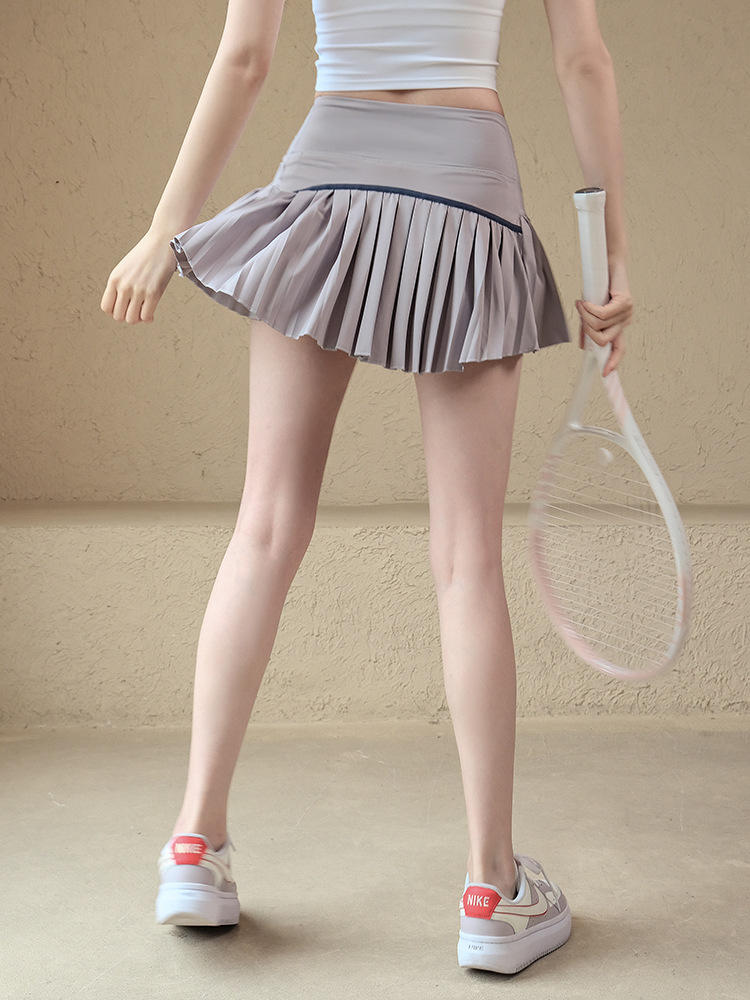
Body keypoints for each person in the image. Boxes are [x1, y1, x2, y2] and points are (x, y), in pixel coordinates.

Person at [101, 0, 632, 975]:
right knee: (467, 561)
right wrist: (612, 260)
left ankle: (193, 844)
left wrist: (161, 231)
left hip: (327, 181)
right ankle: (491, 888)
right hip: (469, 191)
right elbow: (584, 62)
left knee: (265, 527)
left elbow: (246, 59)